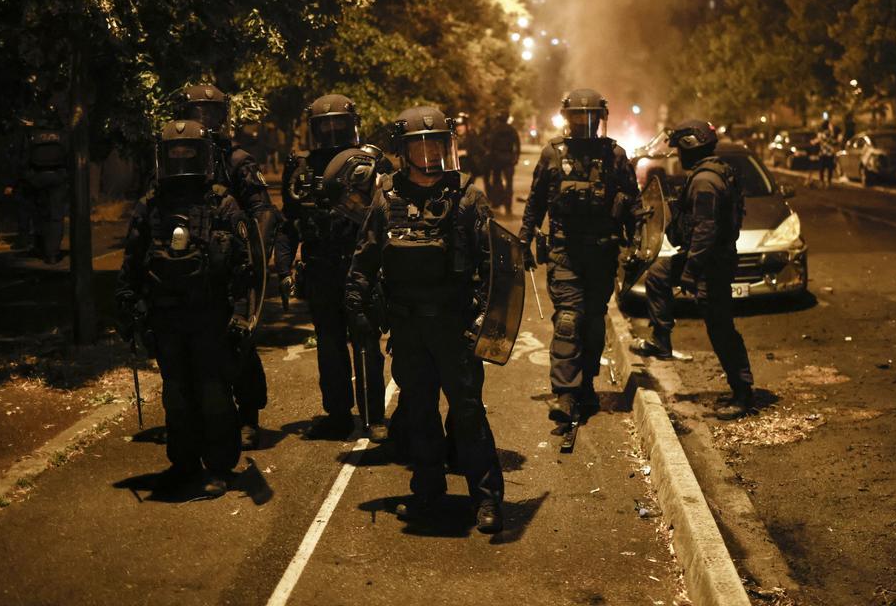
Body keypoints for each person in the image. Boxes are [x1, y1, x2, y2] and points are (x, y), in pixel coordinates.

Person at [345, 106, 504, 533]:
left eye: (437, 144)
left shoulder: (467, 197)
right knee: (419, 414)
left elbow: (494, 270)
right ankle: (427, 492)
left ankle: (487, 499)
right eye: (421, 145)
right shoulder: (387, 197)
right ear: (404, 150)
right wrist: (356, 303)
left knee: (468, 414)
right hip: (408, 328)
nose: (431, 153)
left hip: (454, 328)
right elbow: (366, 256)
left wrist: (484, 327)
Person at [115, 119, 254, 496]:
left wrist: (242, 316)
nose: (180, 161)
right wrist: (127, 304)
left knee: (212, 392)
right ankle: (184, 463)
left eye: (187, 153)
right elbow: (132, 257)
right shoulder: (152, 204)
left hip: (210, 316)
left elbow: (244, 267)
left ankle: (220, 466)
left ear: (202, 156)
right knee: (176, 393)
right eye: (173, 154)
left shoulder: (222, 203)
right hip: (166, 316)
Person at [519, 89, 641, 426]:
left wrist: (639, 244)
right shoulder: (552, 155)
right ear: (567, 119)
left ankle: (586, 384)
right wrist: (523, 240)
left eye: (590, 117)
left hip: (602, 255)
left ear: (600, 119)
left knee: (593, 323)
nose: (584, 124)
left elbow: (633, 202)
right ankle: (565, 393)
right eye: (578, 117)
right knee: (569, 320)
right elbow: (535, 202)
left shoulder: (615, 156)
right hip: (564, 253)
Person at [274, 94, 387, 440]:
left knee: (366, 340)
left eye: (340, 123)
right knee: (328, 343)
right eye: (326, 125)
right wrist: (281, 269)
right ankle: (337, 414)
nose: (334, 129)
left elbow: (388, 217)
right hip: (320, 267)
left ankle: (374, 417)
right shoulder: (300, 167)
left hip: (360, 268)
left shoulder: (370, 164)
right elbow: (289, 222)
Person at [177, 84, 280, 450]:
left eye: (211, 112)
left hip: (233, 265)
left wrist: (255, 259)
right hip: (187, 266)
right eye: (197, 112)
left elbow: (263, 211)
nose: (204, 120)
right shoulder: (174, 157)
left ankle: (248, 415)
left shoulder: (235, 160)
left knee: (238, 342)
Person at [631, 119, 755, 420]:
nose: (677, 156)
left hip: (711, 262)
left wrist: (689, 272)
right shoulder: (710, 174)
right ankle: (661, 339)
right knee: (659, 274)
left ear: (691, 148)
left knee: (720, 328)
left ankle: (743, 393)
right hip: (706, 257)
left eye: (680, 150)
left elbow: (705, 232)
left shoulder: (705, 182)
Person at [14, 108, 68, 263]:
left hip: (36, 177)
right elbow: (69, 156)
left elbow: (23, 158)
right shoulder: (62, 135)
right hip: (58, 177)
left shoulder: (32, 135)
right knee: (56, 217)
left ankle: (40, 247)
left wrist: (26, 176)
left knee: (39, 214)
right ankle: (52, 253)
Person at [485, 114, 521, 215]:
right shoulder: (512, 129)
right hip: (508, 158)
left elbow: (490, 145)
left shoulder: (495, 130)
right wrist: (516, 157)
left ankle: (497, 202)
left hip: (496, 158)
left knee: (497, 180)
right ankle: (508, 205)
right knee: (509, 183)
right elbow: (517, 144)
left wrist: (490, 158)